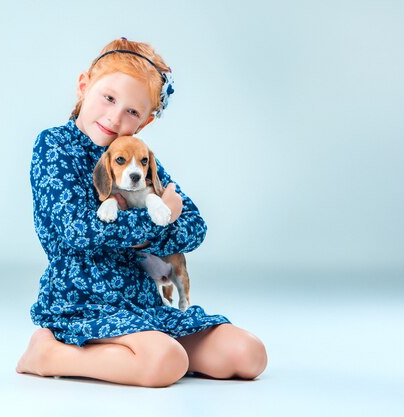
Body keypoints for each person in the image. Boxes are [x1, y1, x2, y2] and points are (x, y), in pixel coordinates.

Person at [16, 38, 267, 387]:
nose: (115, 117)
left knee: (248, 354)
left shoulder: (137, 154)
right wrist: (155, 219)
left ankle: (146, 347)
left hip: (141, 299)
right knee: (166, 361)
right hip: (83, 297)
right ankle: (48, 354)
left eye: (132, 111)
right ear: (84, 86)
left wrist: (146, 222)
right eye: (108, 98)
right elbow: (79, 232)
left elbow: (194, 227)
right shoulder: (55, 147)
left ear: (145, 121)